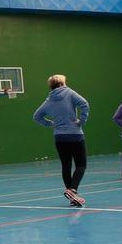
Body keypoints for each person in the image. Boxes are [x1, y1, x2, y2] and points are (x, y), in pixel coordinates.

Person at [33, 74, 90, 206]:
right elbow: (84, 104)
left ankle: (72, 198)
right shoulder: (69, 93)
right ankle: (72, 190)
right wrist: (82, 121)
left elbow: (36, 116)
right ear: (62, 83)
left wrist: (50, 123)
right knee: (81, 165)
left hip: (59, 137)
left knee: (66, 165)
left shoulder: (49, 100)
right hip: (75, 135)